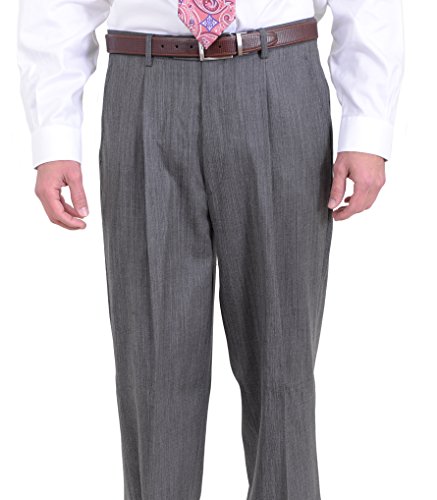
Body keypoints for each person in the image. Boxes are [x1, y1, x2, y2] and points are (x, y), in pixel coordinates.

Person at [16, 1, 404, 499]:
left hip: (278, 73)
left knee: (282, 362)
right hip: (144, 83)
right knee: (153, 366)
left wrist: (368, 124)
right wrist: (53, 134)